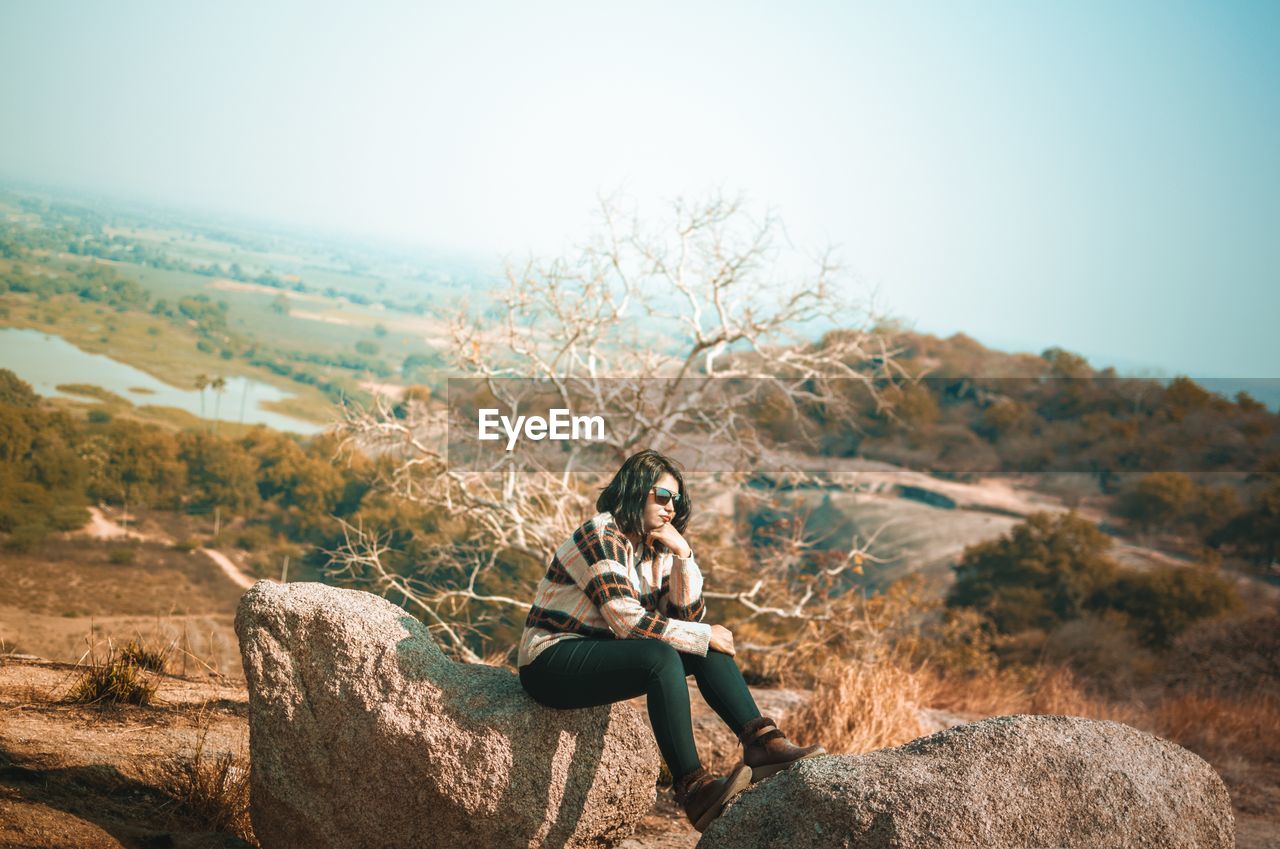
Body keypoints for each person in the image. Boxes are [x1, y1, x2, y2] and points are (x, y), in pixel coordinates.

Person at [517, 448, 825, 832]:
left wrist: (682, 554)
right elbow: (627, 621)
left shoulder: (656, 548)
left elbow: (689, 620)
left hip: (601, 655)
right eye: (662, 496)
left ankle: (761, 742)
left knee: (699, 644)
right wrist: (701, 634)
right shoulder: (600, 533)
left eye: (676, 501)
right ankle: (693, 790)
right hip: (550, 662)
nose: (671, 509)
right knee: (664, 655)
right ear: (634, 491)